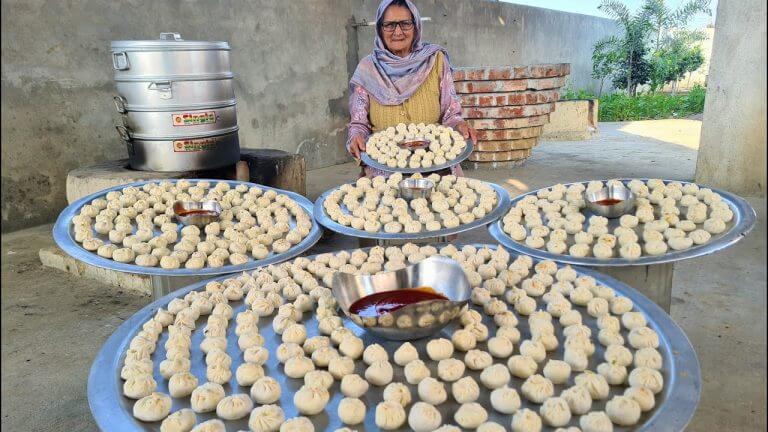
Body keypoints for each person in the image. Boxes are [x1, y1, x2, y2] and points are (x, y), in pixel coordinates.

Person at [346, 0, 477, 178]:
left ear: (416, 26)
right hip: (384, 173)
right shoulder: (367, 69)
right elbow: (359, 124)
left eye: (405, 24)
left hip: (437, 168)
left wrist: (459, 124)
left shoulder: (435, 60)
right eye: (390, 25)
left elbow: (450, 114)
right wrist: (356, 137)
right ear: (379, 28)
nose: (398, 32)